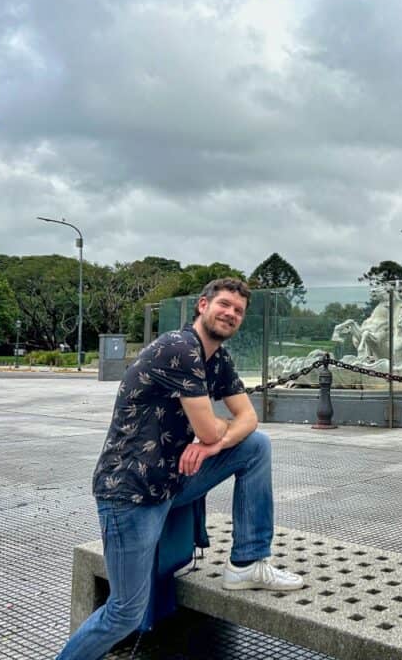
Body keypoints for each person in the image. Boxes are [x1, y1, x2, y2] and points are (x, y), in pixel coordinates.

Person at [57, 278, 303, 660]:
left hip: (171, 483)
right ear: (202, 305)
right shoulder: (180, 347)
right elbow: (209, 427)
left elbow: (248, 418)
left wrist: (215, 445)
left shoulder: (216, 359)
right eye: (224, 305)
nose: (231, 314)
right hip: (131, 493)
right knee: (125, 612)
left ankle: (247, 562)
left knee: (256, 446)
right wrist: (214, 435)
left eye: (239, 311)